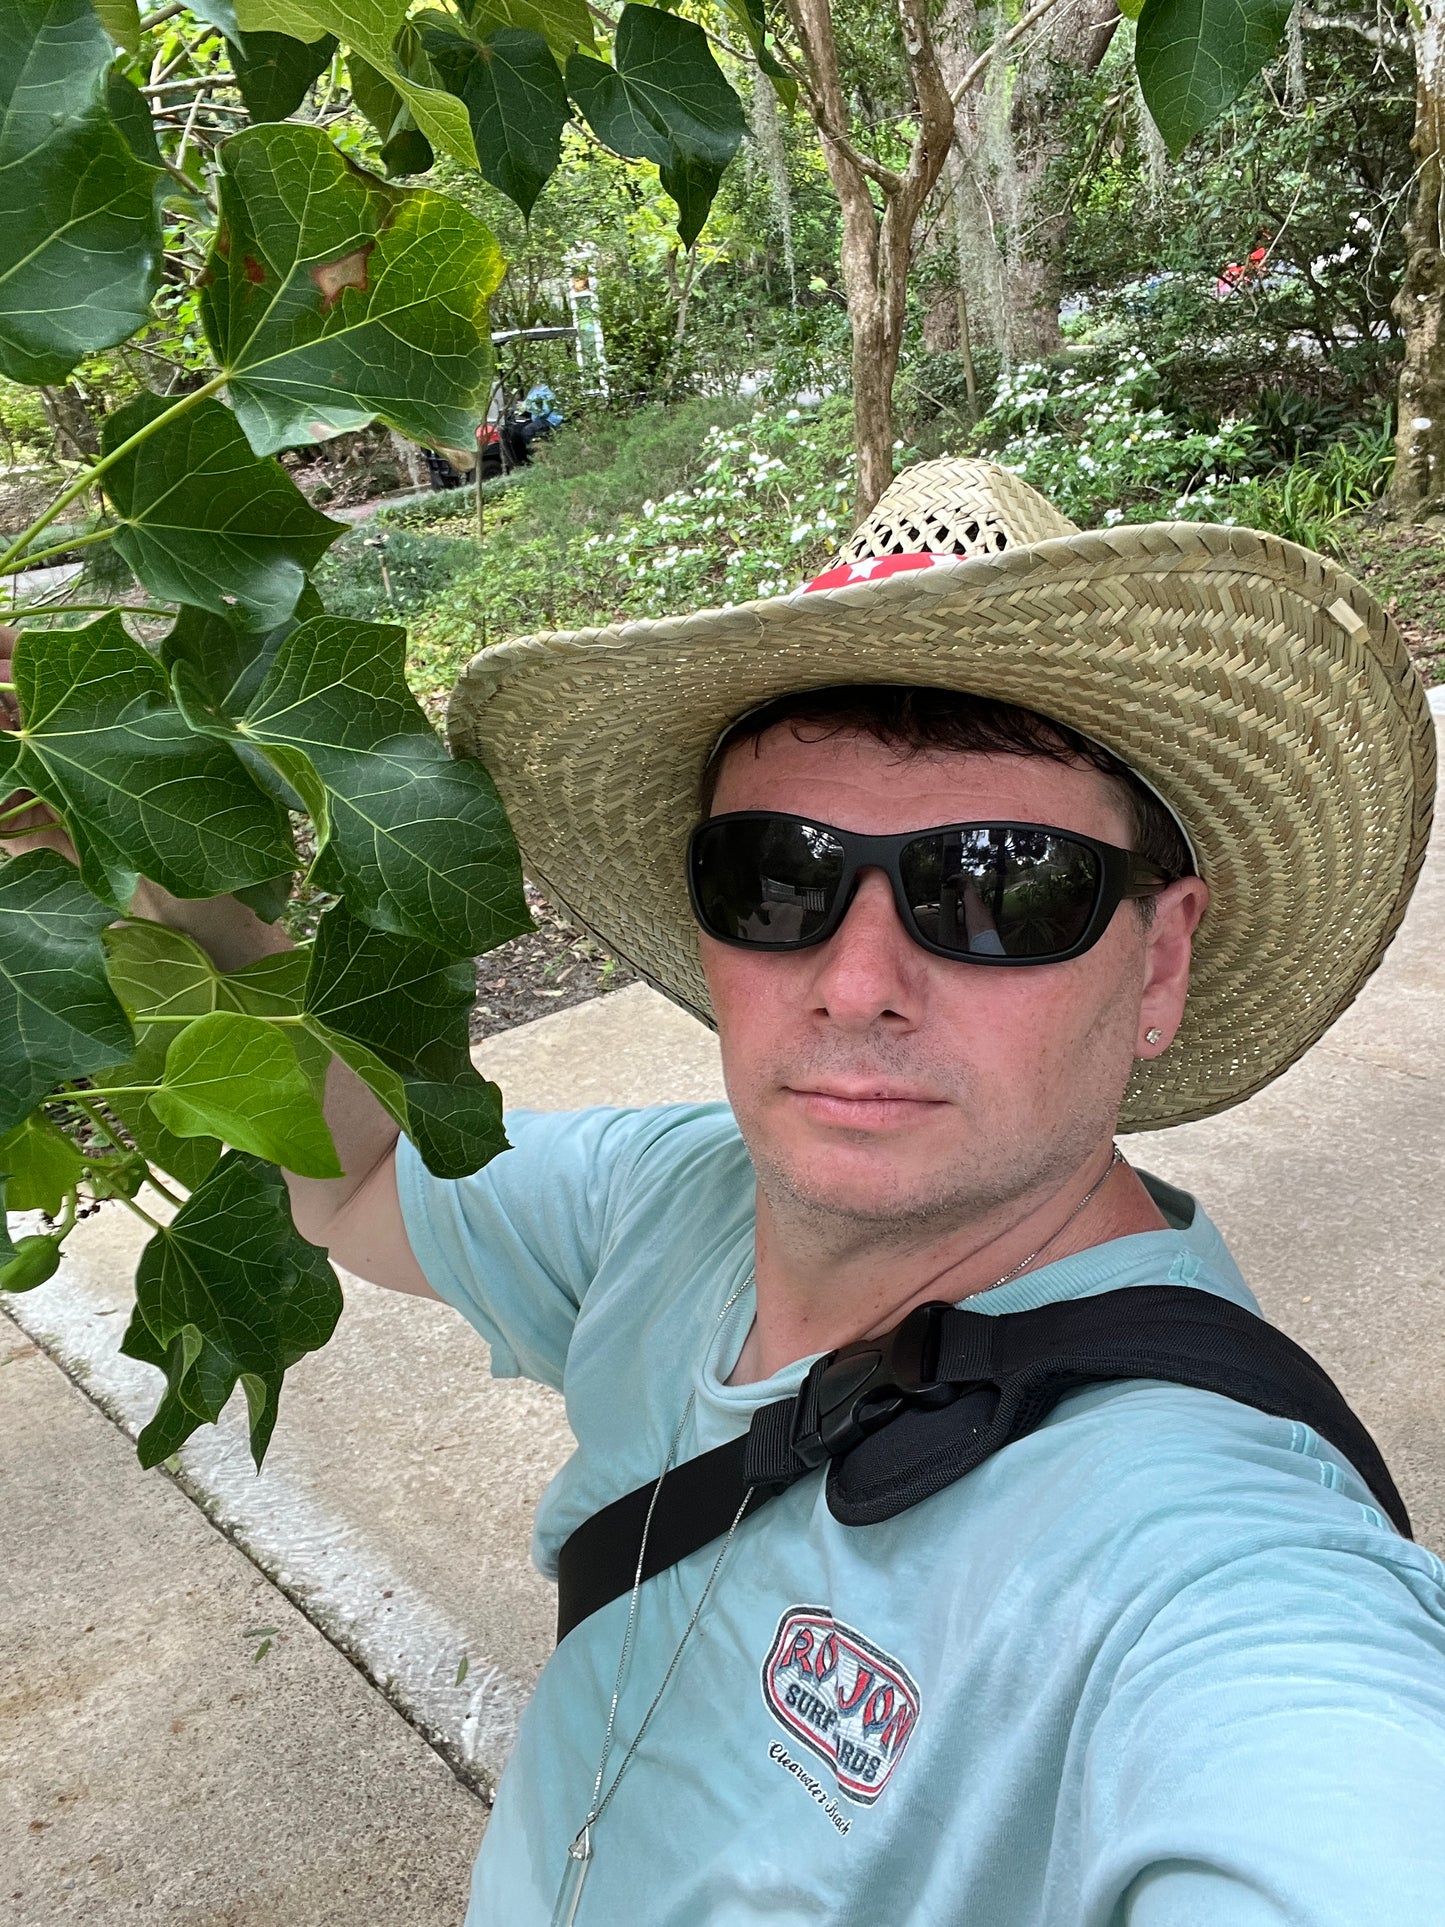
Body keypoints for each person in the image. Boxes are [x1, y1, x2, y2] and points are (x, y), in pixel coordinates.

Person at [9, 456, 1445, 1923]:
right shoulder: (673, 1197)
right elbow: (363, 1167)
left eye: (997, 888)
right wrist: (126, 834)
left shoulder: (1199, 1556)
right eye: (777, 877)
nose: (857, 982)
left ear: (1159, 959)